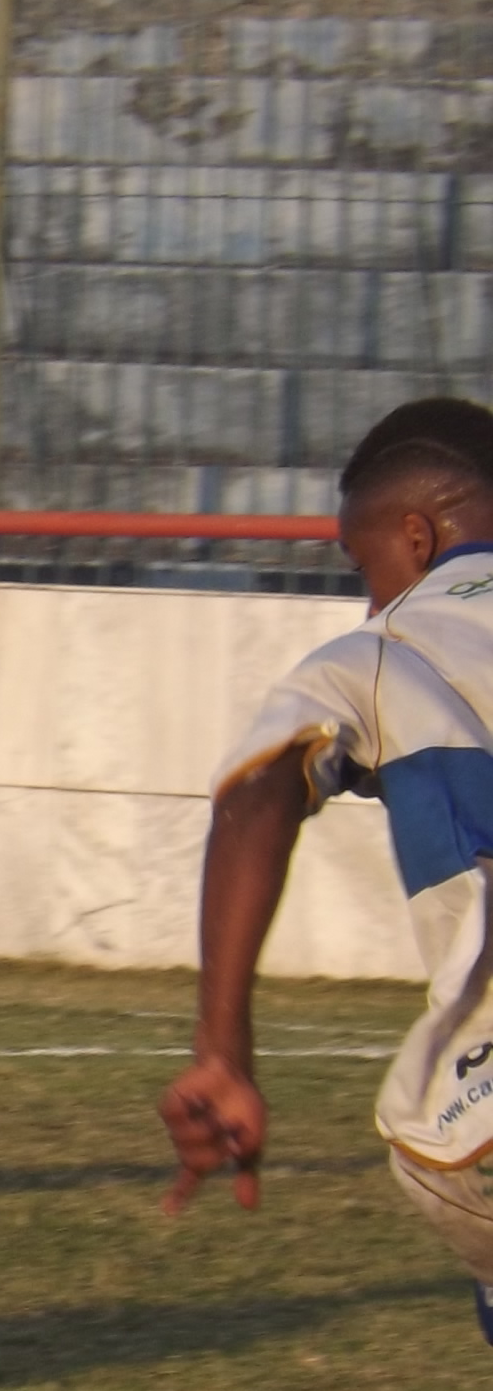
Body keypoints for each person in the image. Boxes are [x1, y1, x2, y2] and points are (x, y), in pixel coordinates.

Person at [162, 395, 493, 1331]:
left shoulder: (388, 650)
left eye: (363, 565)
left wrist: (222, 1050)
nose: (368, 599)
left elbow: (261, 792)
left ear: (417, 537)